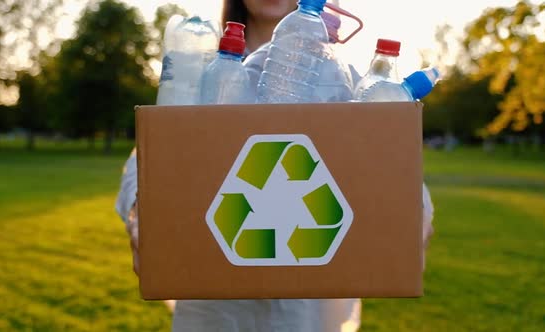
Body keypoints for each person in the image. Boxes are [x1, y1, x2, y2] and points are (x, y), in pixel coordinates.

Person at [116, 1, 435, 331]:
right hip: (214, 310)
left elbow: (394, 165)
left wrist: (416, 215)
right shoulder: (200, 68)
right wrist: (143, 212)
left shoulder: (347, 81)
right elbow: (156, 152)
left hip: (312, 311)